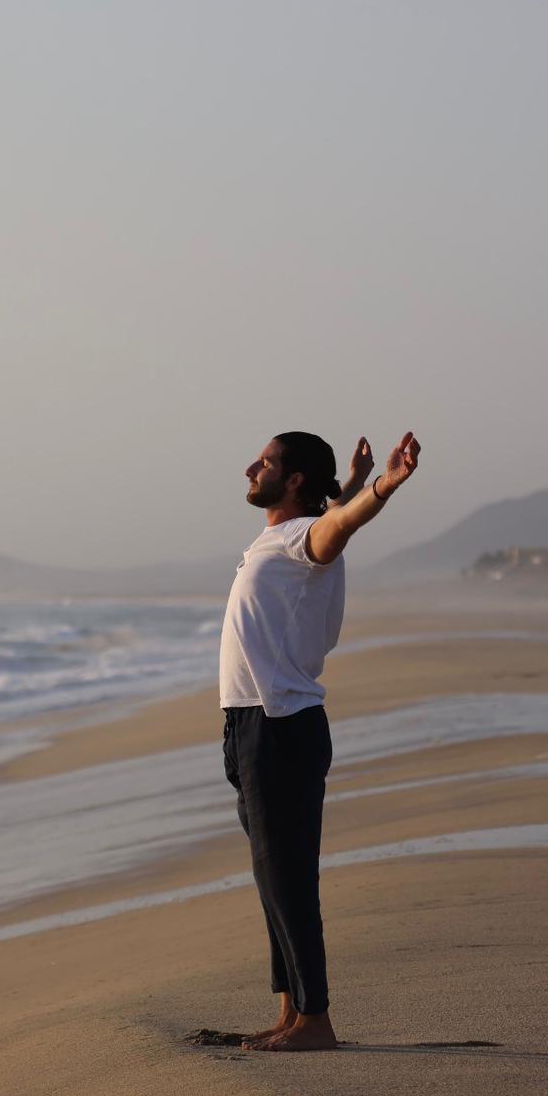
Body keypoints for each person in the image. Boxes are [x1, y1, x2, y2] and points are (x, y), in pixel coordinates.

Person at [219, 428, 422, 1052]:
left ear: (296, 478)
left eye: (267, 462)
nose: (252, 467)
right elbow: (332, 518)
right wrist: (354, 484)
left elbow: (337, 529)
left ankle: (316, 1019)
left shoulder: (308, 542)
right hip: (251, 724)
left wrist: (381, 487)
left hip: (280, 727)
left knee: (289, 877)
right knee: (270, 877)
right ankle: (290, 1012)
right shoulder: (283, 538)